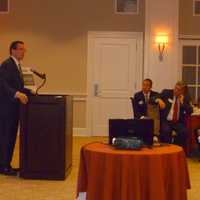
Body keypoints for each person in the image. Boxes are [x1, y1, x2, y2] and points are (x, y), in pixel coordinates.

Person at [0, 41, 32, 176]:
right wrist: (16, 94)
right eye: (21, 49)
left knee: (11, 137)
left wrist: (30, 91)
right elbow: (3, 84)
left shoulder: (17, 65)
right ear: (12, 50)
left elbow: (17, 86)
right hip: (7, 109)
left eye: (24, 50)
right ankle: (4, 167)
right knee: (6, 137)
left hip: (13, 108)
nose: (23, 52)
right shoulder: (7, 64)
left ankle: (6, 164)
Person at [159, 81, 193, 149]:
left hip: (177, 122)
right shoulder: (166, 93)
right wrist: (158, 100)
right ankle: (167, 150)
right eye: (176, 88)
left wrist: (182, 103)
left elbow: (190, 111)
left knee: (184, 132)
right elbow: (153, 98)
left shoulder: (185, 98)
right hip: (166, 121)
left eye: (179, 90)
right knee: (166, 131)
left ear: (182, 91)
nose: (176, 91)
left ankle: (176, 147)